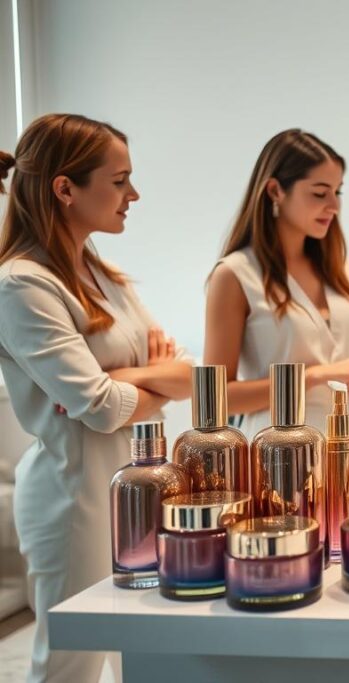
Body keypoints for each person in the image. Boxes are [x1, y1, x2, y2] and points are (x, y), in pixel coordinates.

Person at [0, 113, 192, 681]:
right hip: (72, 500)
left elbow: (184, 375)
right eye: (119, 180)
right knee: (70, 668)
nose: (133, 194)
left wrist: (126, 379)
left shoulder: (106, 276)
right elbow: (105, 408)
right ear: (66, 188)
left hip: (135, 493)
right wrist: (140, 379)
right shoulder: (21, 285)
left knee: (140, 655)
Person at [205, 129, 349, 436]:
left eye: (338, 192)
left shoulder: (343, 269)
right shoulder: (235, 275)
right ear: (275, 191)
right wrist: (316, 376)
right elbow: (219, 399)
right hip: (278, 454)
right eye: (320, 193)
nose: (334, 205)